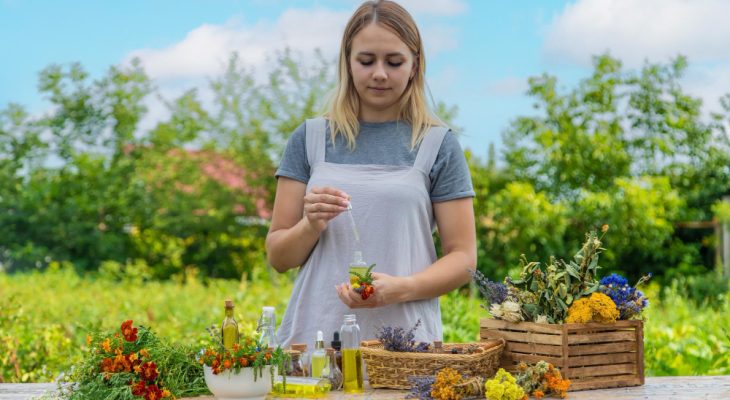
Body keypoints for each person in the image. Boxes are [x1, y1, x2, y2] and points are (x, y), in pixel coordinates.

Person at [266, 0, 476, 350]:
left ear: (414, 65)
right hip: (313, 343)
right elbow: (279, 257)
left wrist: (401, 288)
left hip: (406, 346)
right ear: (347, 63)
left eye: (394, 62)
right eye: (366, 61)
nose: (379, 73)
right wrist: (311, 225)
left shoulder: (437, 144)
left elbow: (463, 258)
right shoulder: (311, 139)